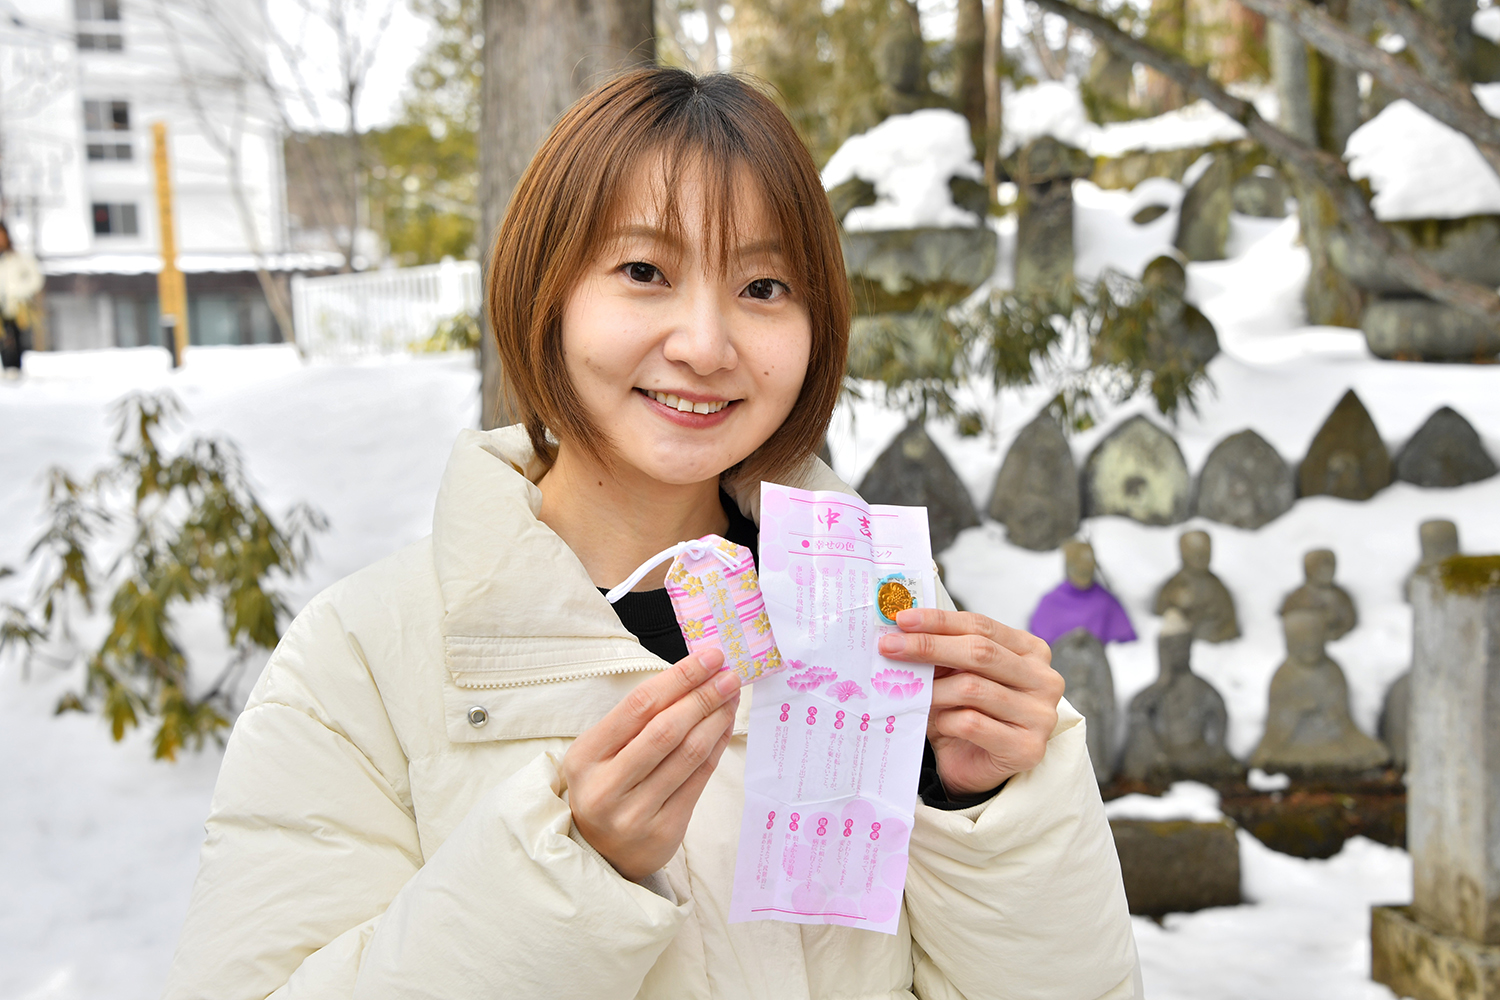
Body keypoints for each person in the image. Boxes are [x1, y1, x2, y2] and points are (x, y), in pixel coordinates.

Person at [165, 70, 1139, 1000]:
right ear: (547, 290)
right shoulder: (363, 661)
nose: (707, 345)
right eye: (644, 271)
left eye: (764, 288)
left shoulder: (881, 616)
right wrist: (565, 873)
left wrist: (986, 807)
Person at [0, 220, 43, 375]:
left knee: (14, 335)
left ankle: (14, 369)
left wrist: (20, 291)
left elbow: (35, 279)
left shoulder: (18, 258)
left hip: (16, 305)